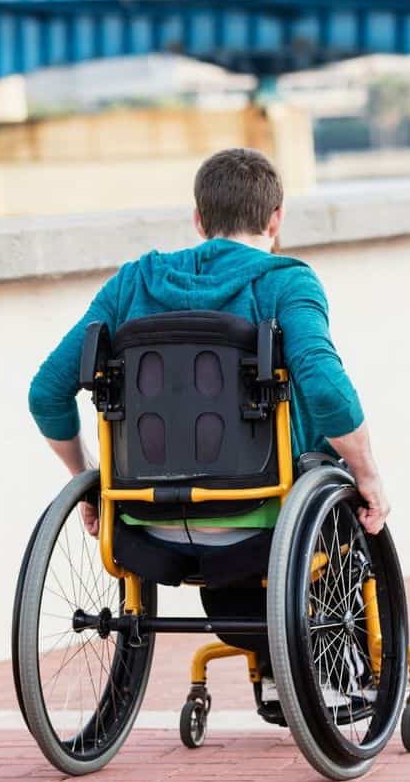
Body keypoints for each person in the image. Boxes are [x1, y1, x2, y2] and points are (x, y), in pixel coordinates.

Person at [28, 147, 390, 538]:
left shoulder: (132, 283)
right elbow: (325, 388)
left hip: (143, 517)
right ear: (276, 219)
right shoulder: (287, 283)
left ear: (199, 221)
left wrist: (88, 479)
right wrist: (367, 474)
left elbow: (46, 391)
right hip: (265, 514)